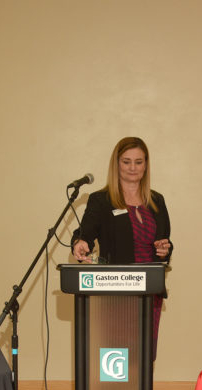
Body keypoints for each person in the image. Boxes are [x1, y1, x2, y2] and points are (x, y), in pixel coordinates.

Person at [71, 137, 173, 356]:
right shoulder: (101, 200)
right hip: (117, 290)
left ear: (146, 165)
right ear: (116, 164)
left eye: (138, 161)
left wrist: (166, 249)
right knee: (117, 355)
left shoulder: (157, 200)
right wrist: (80, 243)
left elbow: (164, 242)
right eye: (126, 161)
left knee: (144, 355)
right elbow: (85, 234)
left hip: (150, 290)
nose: (133, 167)